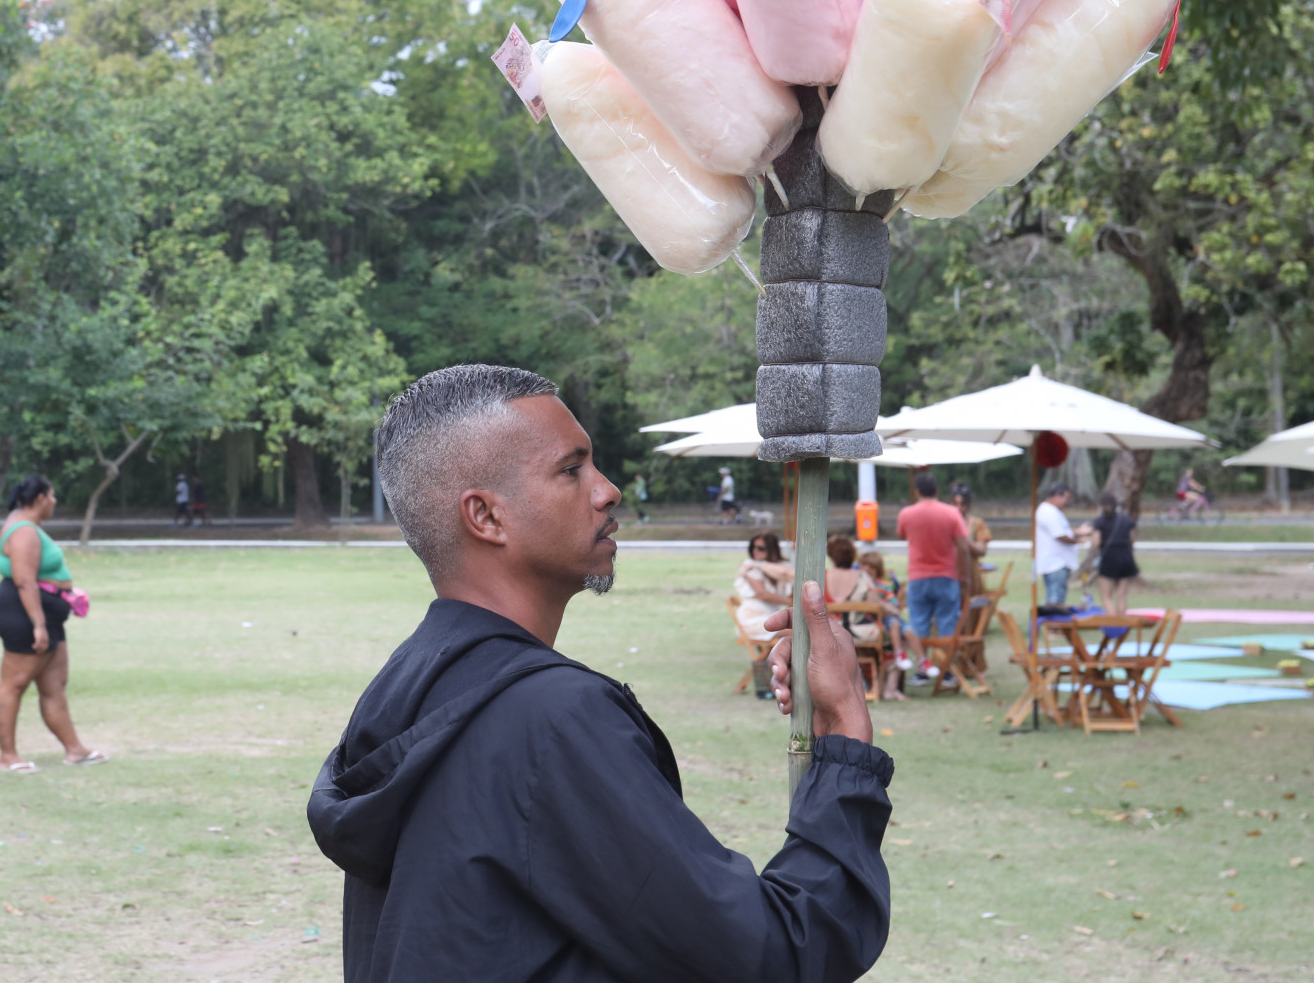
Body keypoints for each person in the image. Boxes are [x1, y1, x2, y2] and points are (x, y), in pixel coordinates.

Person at [308, 364, 893, 982]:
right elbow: (775, 955)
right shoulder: (551, 719)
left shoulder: (404, 684)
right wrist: (842, 737)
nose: (608, 489)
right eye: (571, 469)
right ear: (485, 516)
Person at [0, 476, 106, 773]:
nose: (55, 502)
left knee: (54, 684)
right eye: (52, 496)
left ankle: (75, 750)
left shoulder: (23, 522)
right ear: (40, 498)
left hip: (47, 611)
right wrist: (38, 625)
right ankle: (8, 757)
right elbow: (25, 581)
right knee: (14, 684)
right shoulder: (25, 530)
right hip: (24, 612)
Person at [895, 472, 972, 668]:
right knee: (947, 625)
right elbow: (963, 547)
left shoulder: (906, 513)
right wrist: (966, 575)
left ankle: (923, 667)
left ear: (917, 492)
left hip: (918, 576)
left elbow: (902, 535)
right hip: (947, 576)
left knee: (919, 624)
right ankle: (946, 670)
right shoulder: (952, 513)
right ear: (937, 491)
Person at [855, 550, 923, 700]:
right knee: (896, 641)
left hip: (884, 627)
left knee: (901, 639)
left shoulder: (883, 585)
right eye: (863, 567)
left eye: (870, 568)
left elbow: (893, 607)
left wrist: (888, 609)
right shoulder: (859, 585)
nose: (866, 571)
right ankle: (889, 689)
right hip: (870, 629)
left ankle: (891, 688)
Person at [733, 530, 793, 643]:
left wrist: (760, 564)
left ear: (771, 549)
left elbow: (788, 575)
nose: (755, 551)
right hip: (753, 619)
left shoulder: (778, 566)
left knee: (796, 630)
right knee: (794, 632)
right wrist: (789, 601)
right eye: (752, 547)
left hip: (772, 615)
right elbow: (762, 594)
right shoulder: (749, 566)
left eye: (760, 548)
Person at [1087, 490, 1140, 615]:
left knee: (1106, 596)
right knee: (1122, 595)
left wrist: (1088, 535)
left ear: (1101, 506)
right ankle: (1122, 623)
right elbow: (1132, 539)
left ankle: (1114, 624)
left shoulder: (1099, 522)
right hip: (1127, 558)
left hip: (1109, 559)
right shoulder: (1126, 519)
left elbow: (1096, 542)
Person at [1033, 482, 1081, 607]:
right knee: (1055, 603)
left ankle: (1056, 626)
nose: (1067, 502)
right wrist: (1079, 541)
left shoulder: (1052, 511)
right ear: (1056, 496)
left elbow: (1064, 531)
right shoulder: (1048, 512)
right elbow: (1060, 535)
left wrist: (1078, 532)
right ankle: (1054, 627)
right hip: (1055, 564)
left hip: (1058, 563)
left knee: (1058, 600)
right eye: (1066, 498)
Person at [949, 482, 991, 599]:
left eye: (962, 504)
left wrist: (964, 540)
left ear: (969, 504)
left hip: (971, 577)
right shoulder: (944, 523)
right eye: (955, 504)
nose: (959, 508)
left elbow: (982, 550)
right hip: (949, 577)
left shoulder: (977, 523)